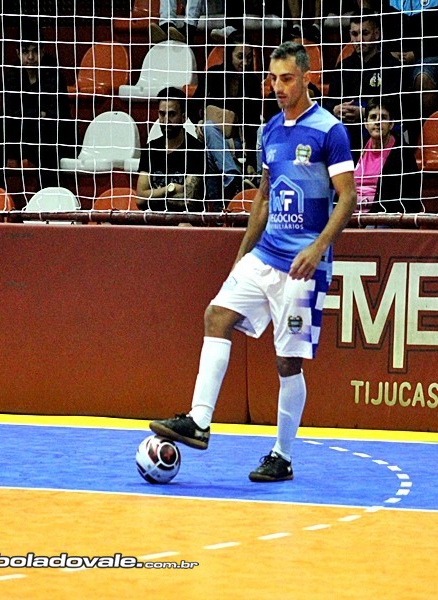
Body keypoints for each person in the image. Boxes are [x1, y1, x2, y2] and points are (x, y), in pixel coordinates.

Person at [150, 41, 357, 482]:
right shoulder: (269, 130)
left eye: (287, 79)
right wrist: (243, 254)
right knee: (216, 315)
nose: (278, 87)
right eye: (273, 79)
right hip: (266, 255)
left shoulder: (329, 130)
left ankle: (282, 456)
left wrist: (318, 247)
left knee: (287, 363)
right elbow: (263, 196)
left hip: (304, 265)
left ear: (306, 79)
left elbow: (348, 198)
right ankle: (199, 421)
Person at [0, 24, 70, 191]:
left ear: (42, 52)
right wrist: (37, 113)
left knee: (44, 128)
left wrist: (28, 113)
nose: (31, 57)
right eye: (26, 52)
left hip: (52, 138)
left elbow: (56, 113)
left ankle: (47, 189)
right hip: (24, 134)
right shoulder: (11, 76)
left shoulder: (54, 75)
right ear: (18, 53)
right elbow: (8, 111)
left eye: (35, 51)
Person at [193, 35, 263, 203]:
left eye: (249, 57)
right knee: (209, 128)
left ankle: (224, 198)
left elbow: (252, 124)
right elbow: (192, 105)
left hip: (240, 143)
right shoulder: (213, 75)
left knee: (210, 154)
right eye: (240, 56)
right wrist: (198, 121)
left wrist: (251, 161)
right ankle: (232, 178)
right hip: (214, 137)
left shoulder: (253, 82)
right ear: (229, 55)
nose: (245, 62)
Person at [380, 0, 438, 143]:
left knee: (423, 78)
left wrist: (416, 53)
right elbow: (383, 33)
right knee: (382, 73)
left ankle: (427, 138)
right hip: (397, 57)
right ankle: (392, 138)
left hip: (434, 55)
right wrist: (391, 53)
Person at [324, 13, 402, 154]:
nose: (359, 40)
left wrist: (365, 112)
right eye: (354, 34)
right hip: (347, 128)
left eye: (365, 33)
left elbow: (397, 107)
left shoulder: (391, 66)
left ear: (377, 34)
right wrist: (335, 109)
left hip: (379, 129)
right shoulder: (343, 67)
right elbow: (329, 102)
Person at [135, 87, 206, 211]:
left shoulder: (196, 149)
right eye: (162, 114)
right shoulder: (150, 149)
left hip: (183, 218)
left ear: (183, 117)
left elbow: (189, 201)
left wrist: (152, 195)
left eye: (172, 114)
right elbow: (140, 199)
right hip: (154, 217)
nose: (166, 121)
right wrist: (170, 188)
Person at [354, 97, 397, 212]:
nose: (378, 122)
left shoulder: (401, 154)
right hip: (350, 214)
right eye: (373, 117)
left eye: (383, 118)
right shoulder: (355, 148)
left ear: (391, 124)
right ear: (365, 123)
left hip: (382, 215)